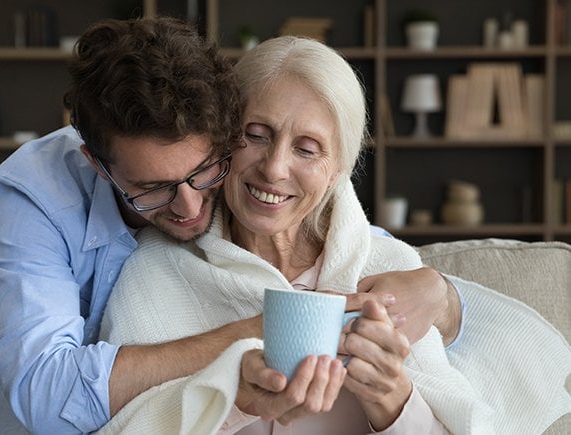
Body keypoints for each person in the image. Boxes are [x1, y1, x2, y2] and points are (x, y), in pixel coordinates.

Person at [0, 17, 463, 434]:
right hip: (8, 393)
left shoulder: (345, 242)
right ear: (98, 165)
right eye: (152, 189)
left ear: (221, 130)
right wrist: (256, 337)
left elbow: (383, 265)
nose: (189, 208)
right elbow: (46, 398)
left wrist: (441, 293)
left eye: (203, 172)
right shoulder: (39, 194)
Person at [95, 35, 571, 434]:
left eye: (307, 149)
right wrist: (236, 402)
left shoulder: (384, 269)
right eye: (255, 134)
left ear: (338, 168)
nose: (275, 168)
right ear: (221, 137)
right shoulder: (157, 270)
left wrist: (394, 402)